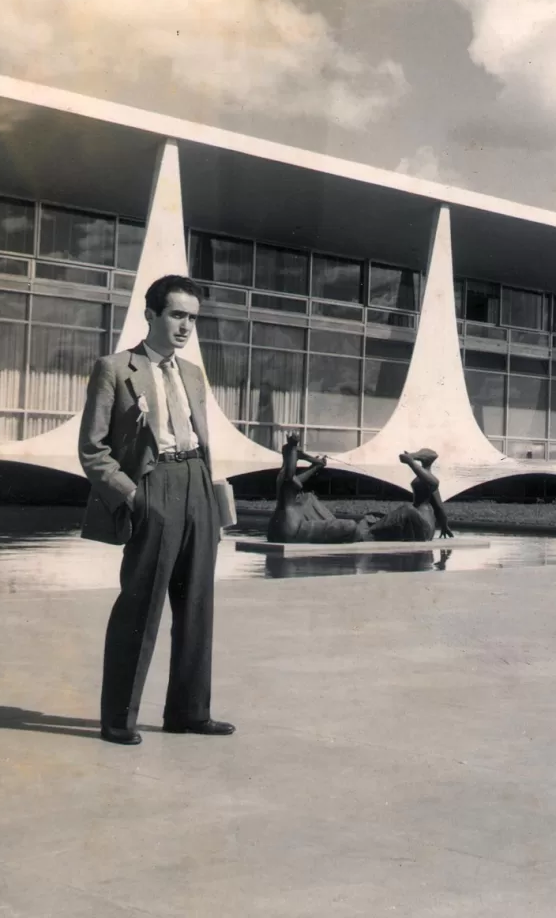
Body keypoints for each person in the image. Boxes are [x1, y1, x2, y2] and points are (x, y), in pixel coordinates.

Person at [79, 274, 234, 746]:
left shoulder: (193, 373)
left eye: (193, 318)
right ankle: (119, 720)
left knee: (197, 609)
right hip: (153, 488)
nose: (186, 326)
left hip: (196, 487)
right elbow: (93, 449)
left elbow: (201, 440)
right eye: (177, 315)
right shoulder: (114, 368)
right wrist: (132, 496)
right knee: (139, 607)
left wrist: (210, 499)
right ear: (151, 314)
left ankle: (189, 713)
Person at [266, 434, 375, 544]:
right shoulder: (288, 477)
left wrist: (316, 465)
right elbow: (291, 473)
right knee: (350, 526)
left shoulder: (282, 478)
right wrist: (296, 449)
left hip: (276, 529)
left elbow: (299, 476)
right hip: (292, 529)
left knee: (309, 500)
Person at [368, 449, 455, 542]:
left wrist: (411, 461)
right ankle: (373, 531)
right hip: (419, 526)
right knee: (379, 516)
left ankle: (369, 533)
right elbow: (439, 508)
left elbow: (438, 503)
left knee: (407, 509)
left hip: (424, 529)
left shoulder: (429, 479)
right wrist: (444, 526)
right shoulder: (426, 478)